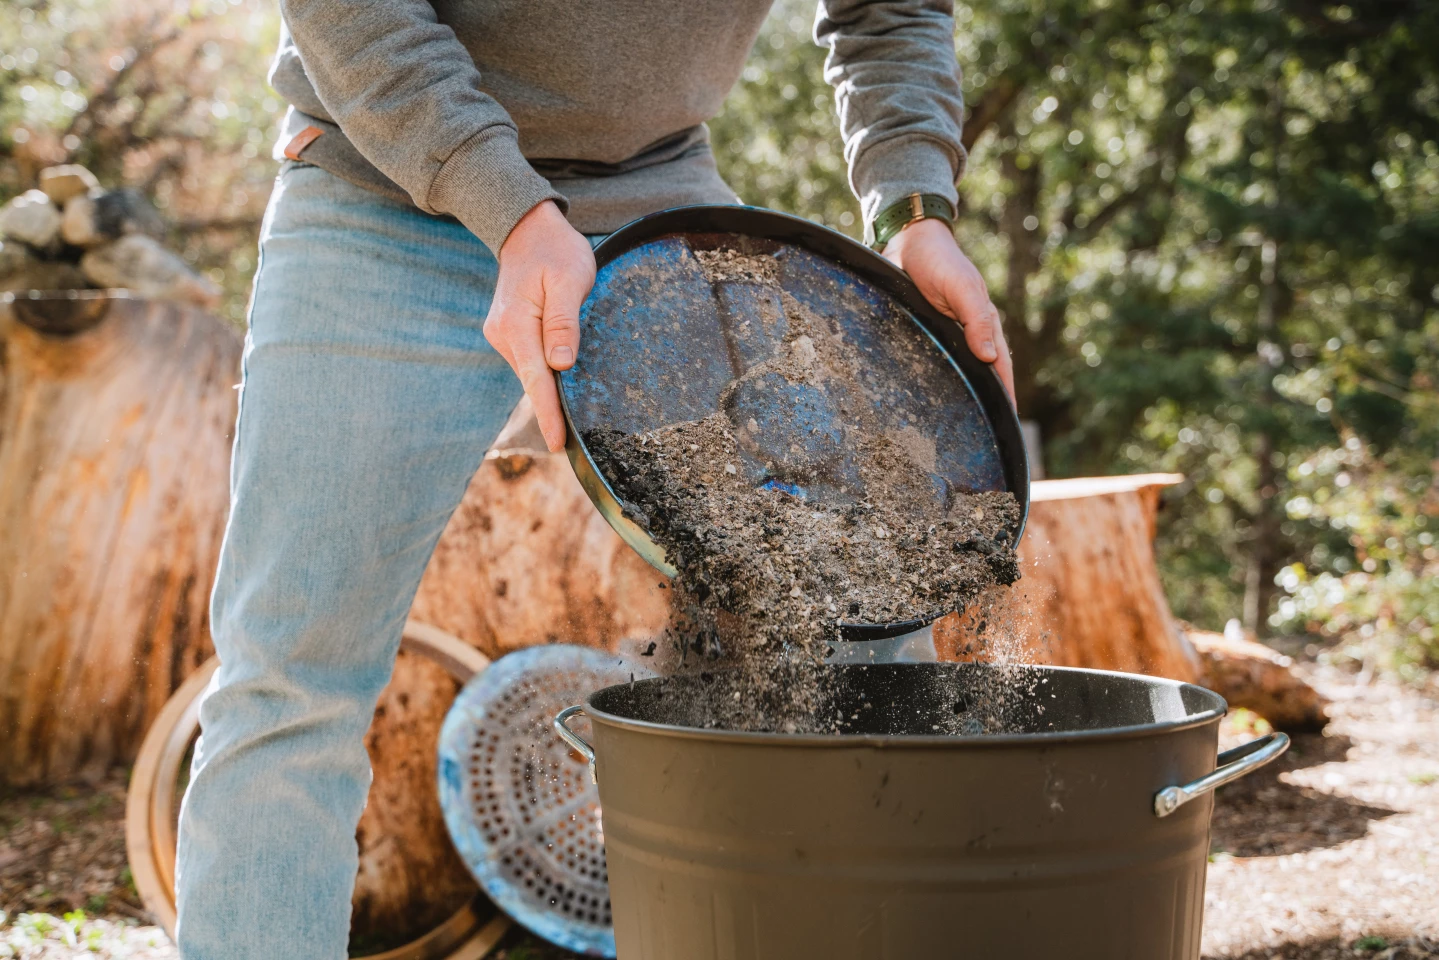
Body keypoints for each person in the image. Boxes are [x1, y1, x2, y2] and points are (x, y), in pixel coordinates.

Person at [173, 1, 1015, 956]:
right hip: (381, 193)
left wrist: (914, 209)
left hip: (659, 197)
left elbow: (887, 8)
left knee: (866, 636)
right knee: (291, 682)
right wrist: (508, 205)